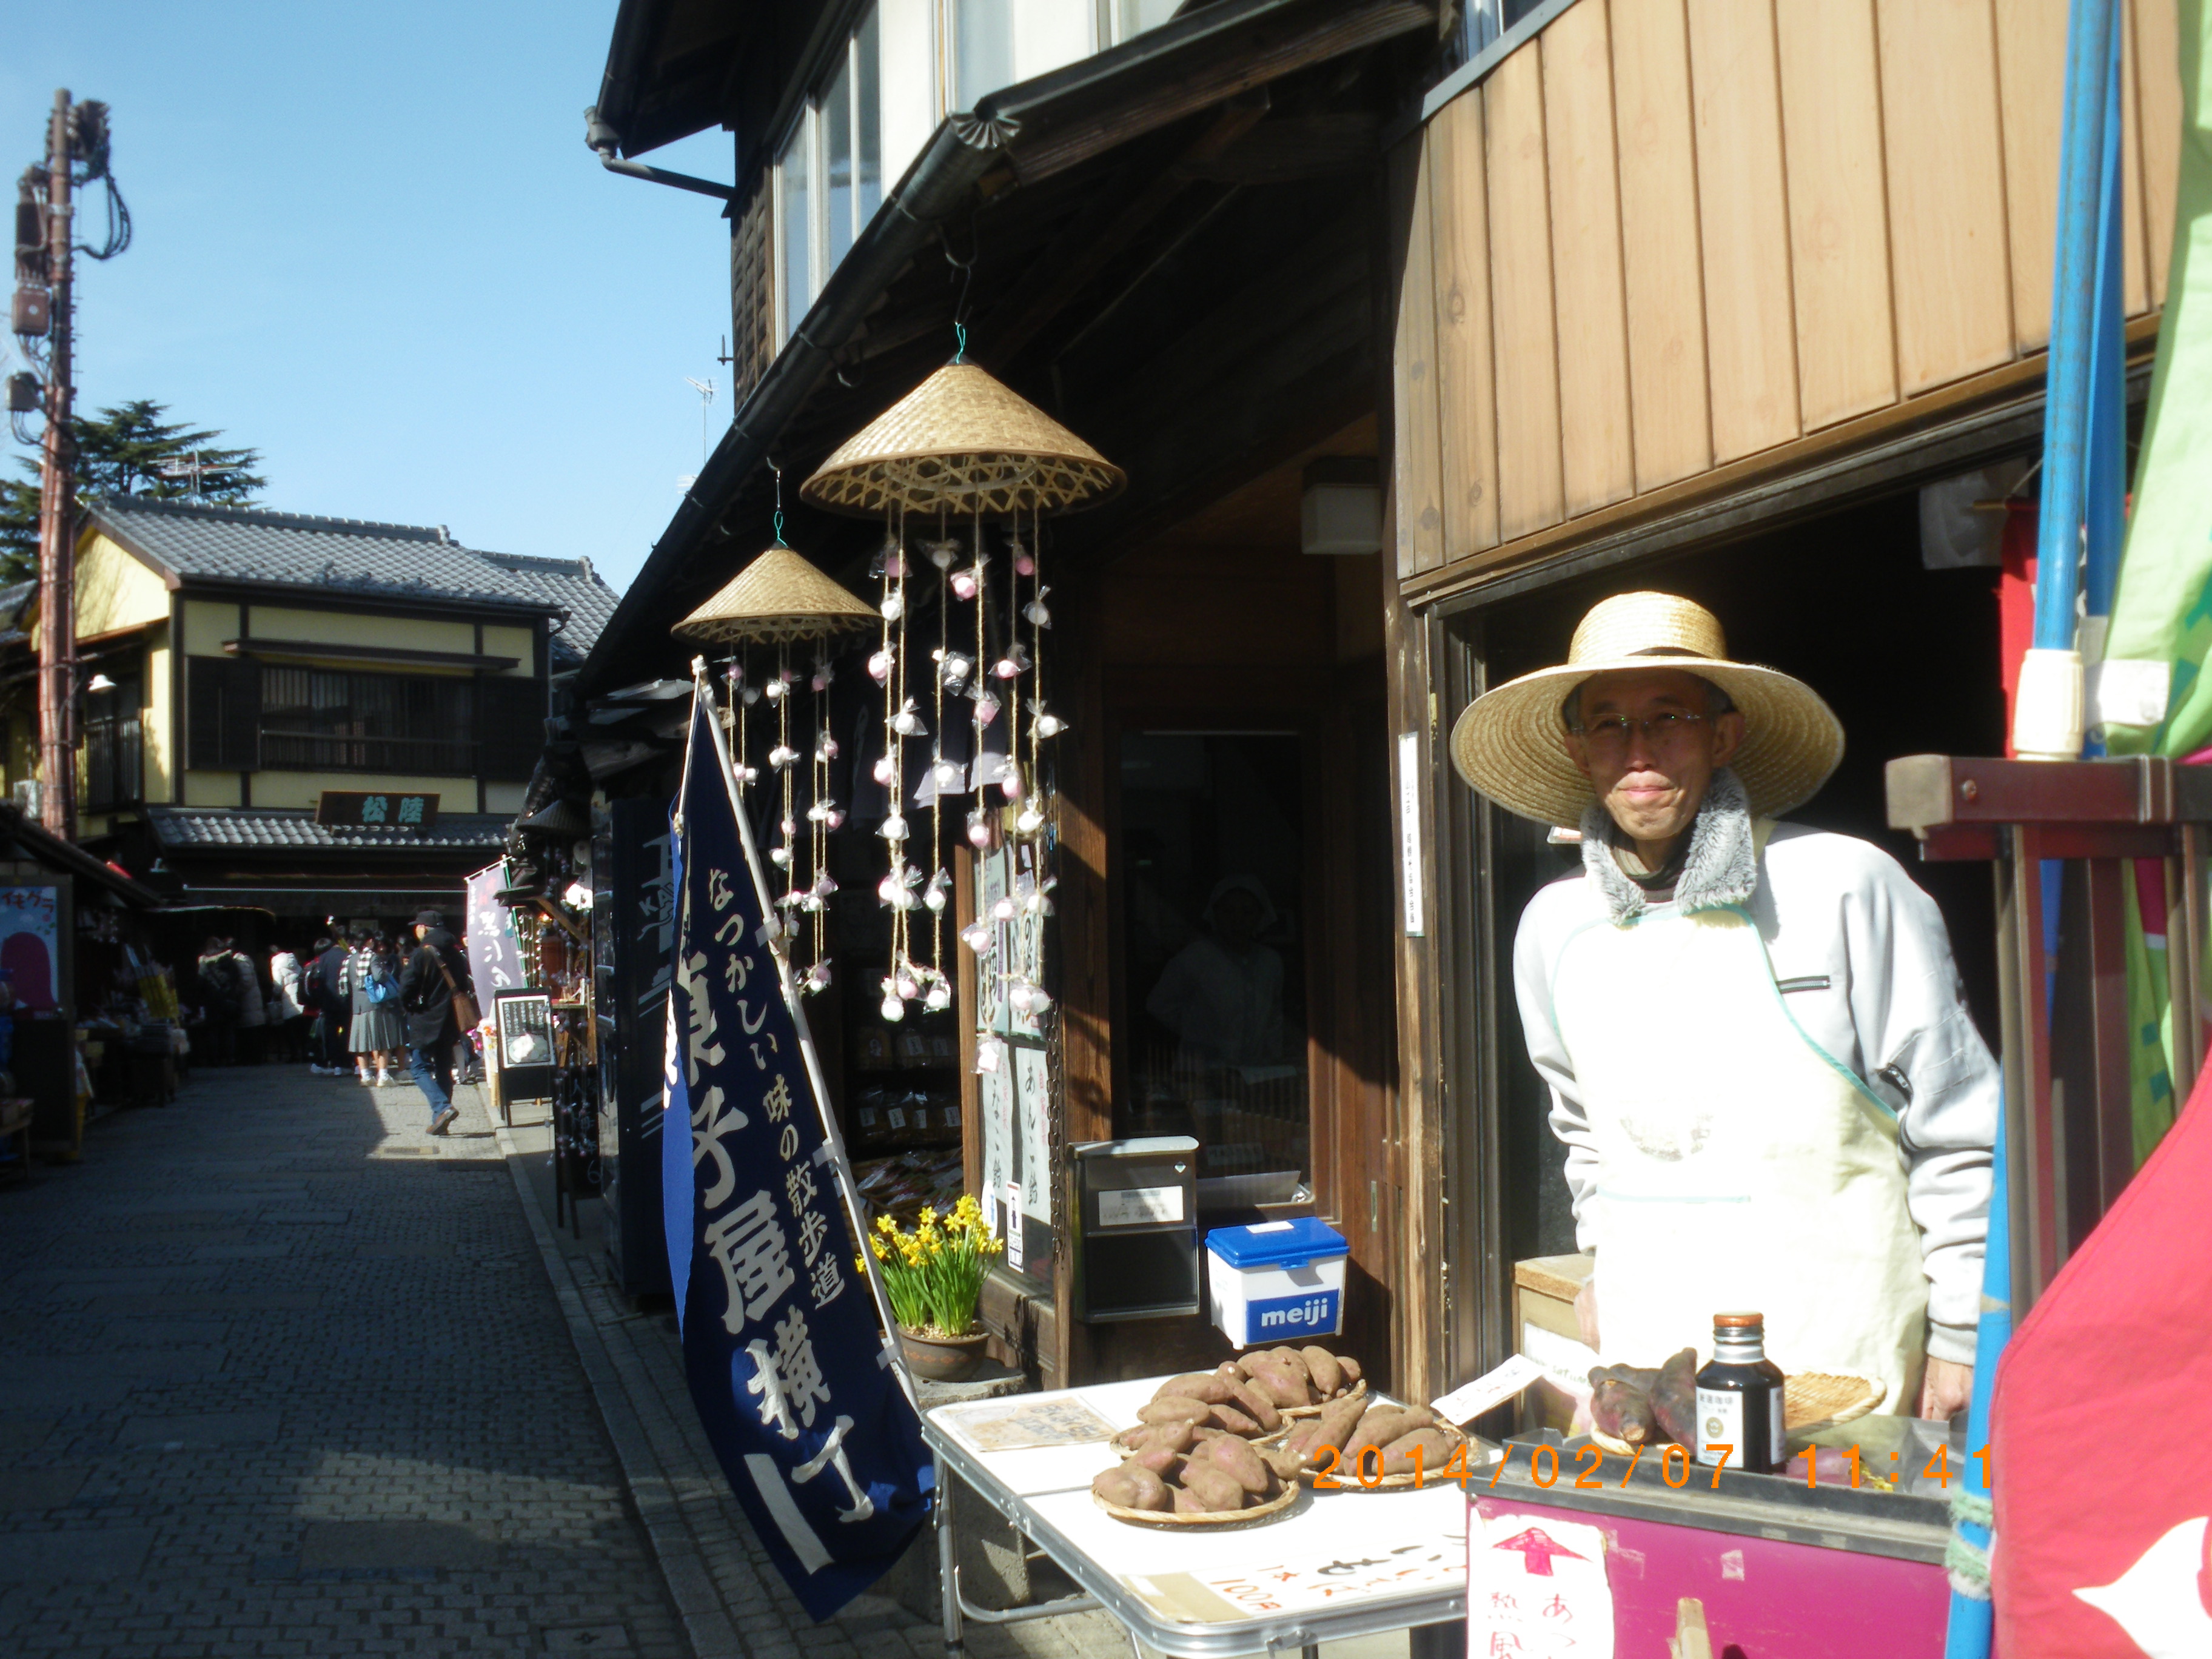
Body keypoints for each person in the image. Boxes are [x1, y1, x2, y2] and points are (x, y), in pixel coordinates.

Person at [1450, 591, 1994, 1421]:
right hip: (1647, 1348)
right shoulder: (1553, 928)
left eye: (1667, 715)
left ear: (1723, 735)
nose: (1638, 750)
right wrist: (1602, 1262)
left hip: (1838, 1345)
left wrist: (1963, 1331)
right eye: (1608, 724)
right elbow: (1581, 1130)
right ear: (1577, 750)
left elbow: (1959, 1121)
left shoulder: (1844, 884)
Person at [1144, 876, 1290, 1068]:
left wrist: (1273, 1058)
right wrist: (1198, 1032)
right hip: (1202, 1071)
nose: (1237, 920)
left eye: (1247, 912)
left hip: (1252, 1072)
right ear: (1216, 914)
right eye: (1228, 911)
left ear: (1259, 916)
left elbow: (1273, 1016)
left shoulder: (1271, 962)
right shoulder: (1195, 958)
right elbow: (1158, 1004)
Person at [398, 908, 475, 1136]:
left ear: (424, 928)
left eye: (417, 926)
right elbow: (464, 985)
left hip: (425, 1019)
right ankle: (440, 1120)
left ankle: (442, 1108)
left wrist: (410, 1006)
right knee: (443, 1068)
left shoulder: (422, 954)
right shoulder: (457, 954)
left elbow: (406, 988)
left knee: (419, 1067)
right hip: (450, 1019)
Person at [347, 933, 404, 1086]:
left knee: (361, 1043)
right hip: (374, 1004)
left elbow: (347, 983)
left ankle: (365, 1076)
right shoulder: (373, 957)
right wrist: (386, 973)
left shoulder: (351, 959)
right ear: (370, 941)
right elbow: (379, 976)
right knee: (381, 1040)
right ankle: (383, 1076)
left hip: (357, 1005)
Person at [307, 934, 351, 1076]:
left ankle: (333, 1062)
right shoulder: (347, 956)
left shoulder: (324, 958)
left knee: (330, 1033)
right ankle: (345, 1061)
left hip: (328, 1001)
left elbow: (319, 981)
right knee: (347, 1031)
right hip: (346, 1001)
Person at [195, 936, 241, 1067]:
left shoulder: (204, 962)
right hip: (228, 999)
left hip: (212, 1001)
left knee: (213, 1031)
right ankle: (230, 1058)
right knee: (229, 1030)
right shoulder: (229, 961)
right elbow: (237, 978)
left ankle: (215, 1059)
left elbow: (201, 982)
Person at [268, 944, 309, 1063]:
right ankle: (305, 1054)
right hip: (300, 998)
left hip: (288, 1000)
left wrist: (274, 995)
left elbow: (278, 985)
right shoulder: (294, 961)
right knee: (302, 1030)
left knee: (291, 1031)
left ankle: (295, 1055)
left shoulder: (276, 965)